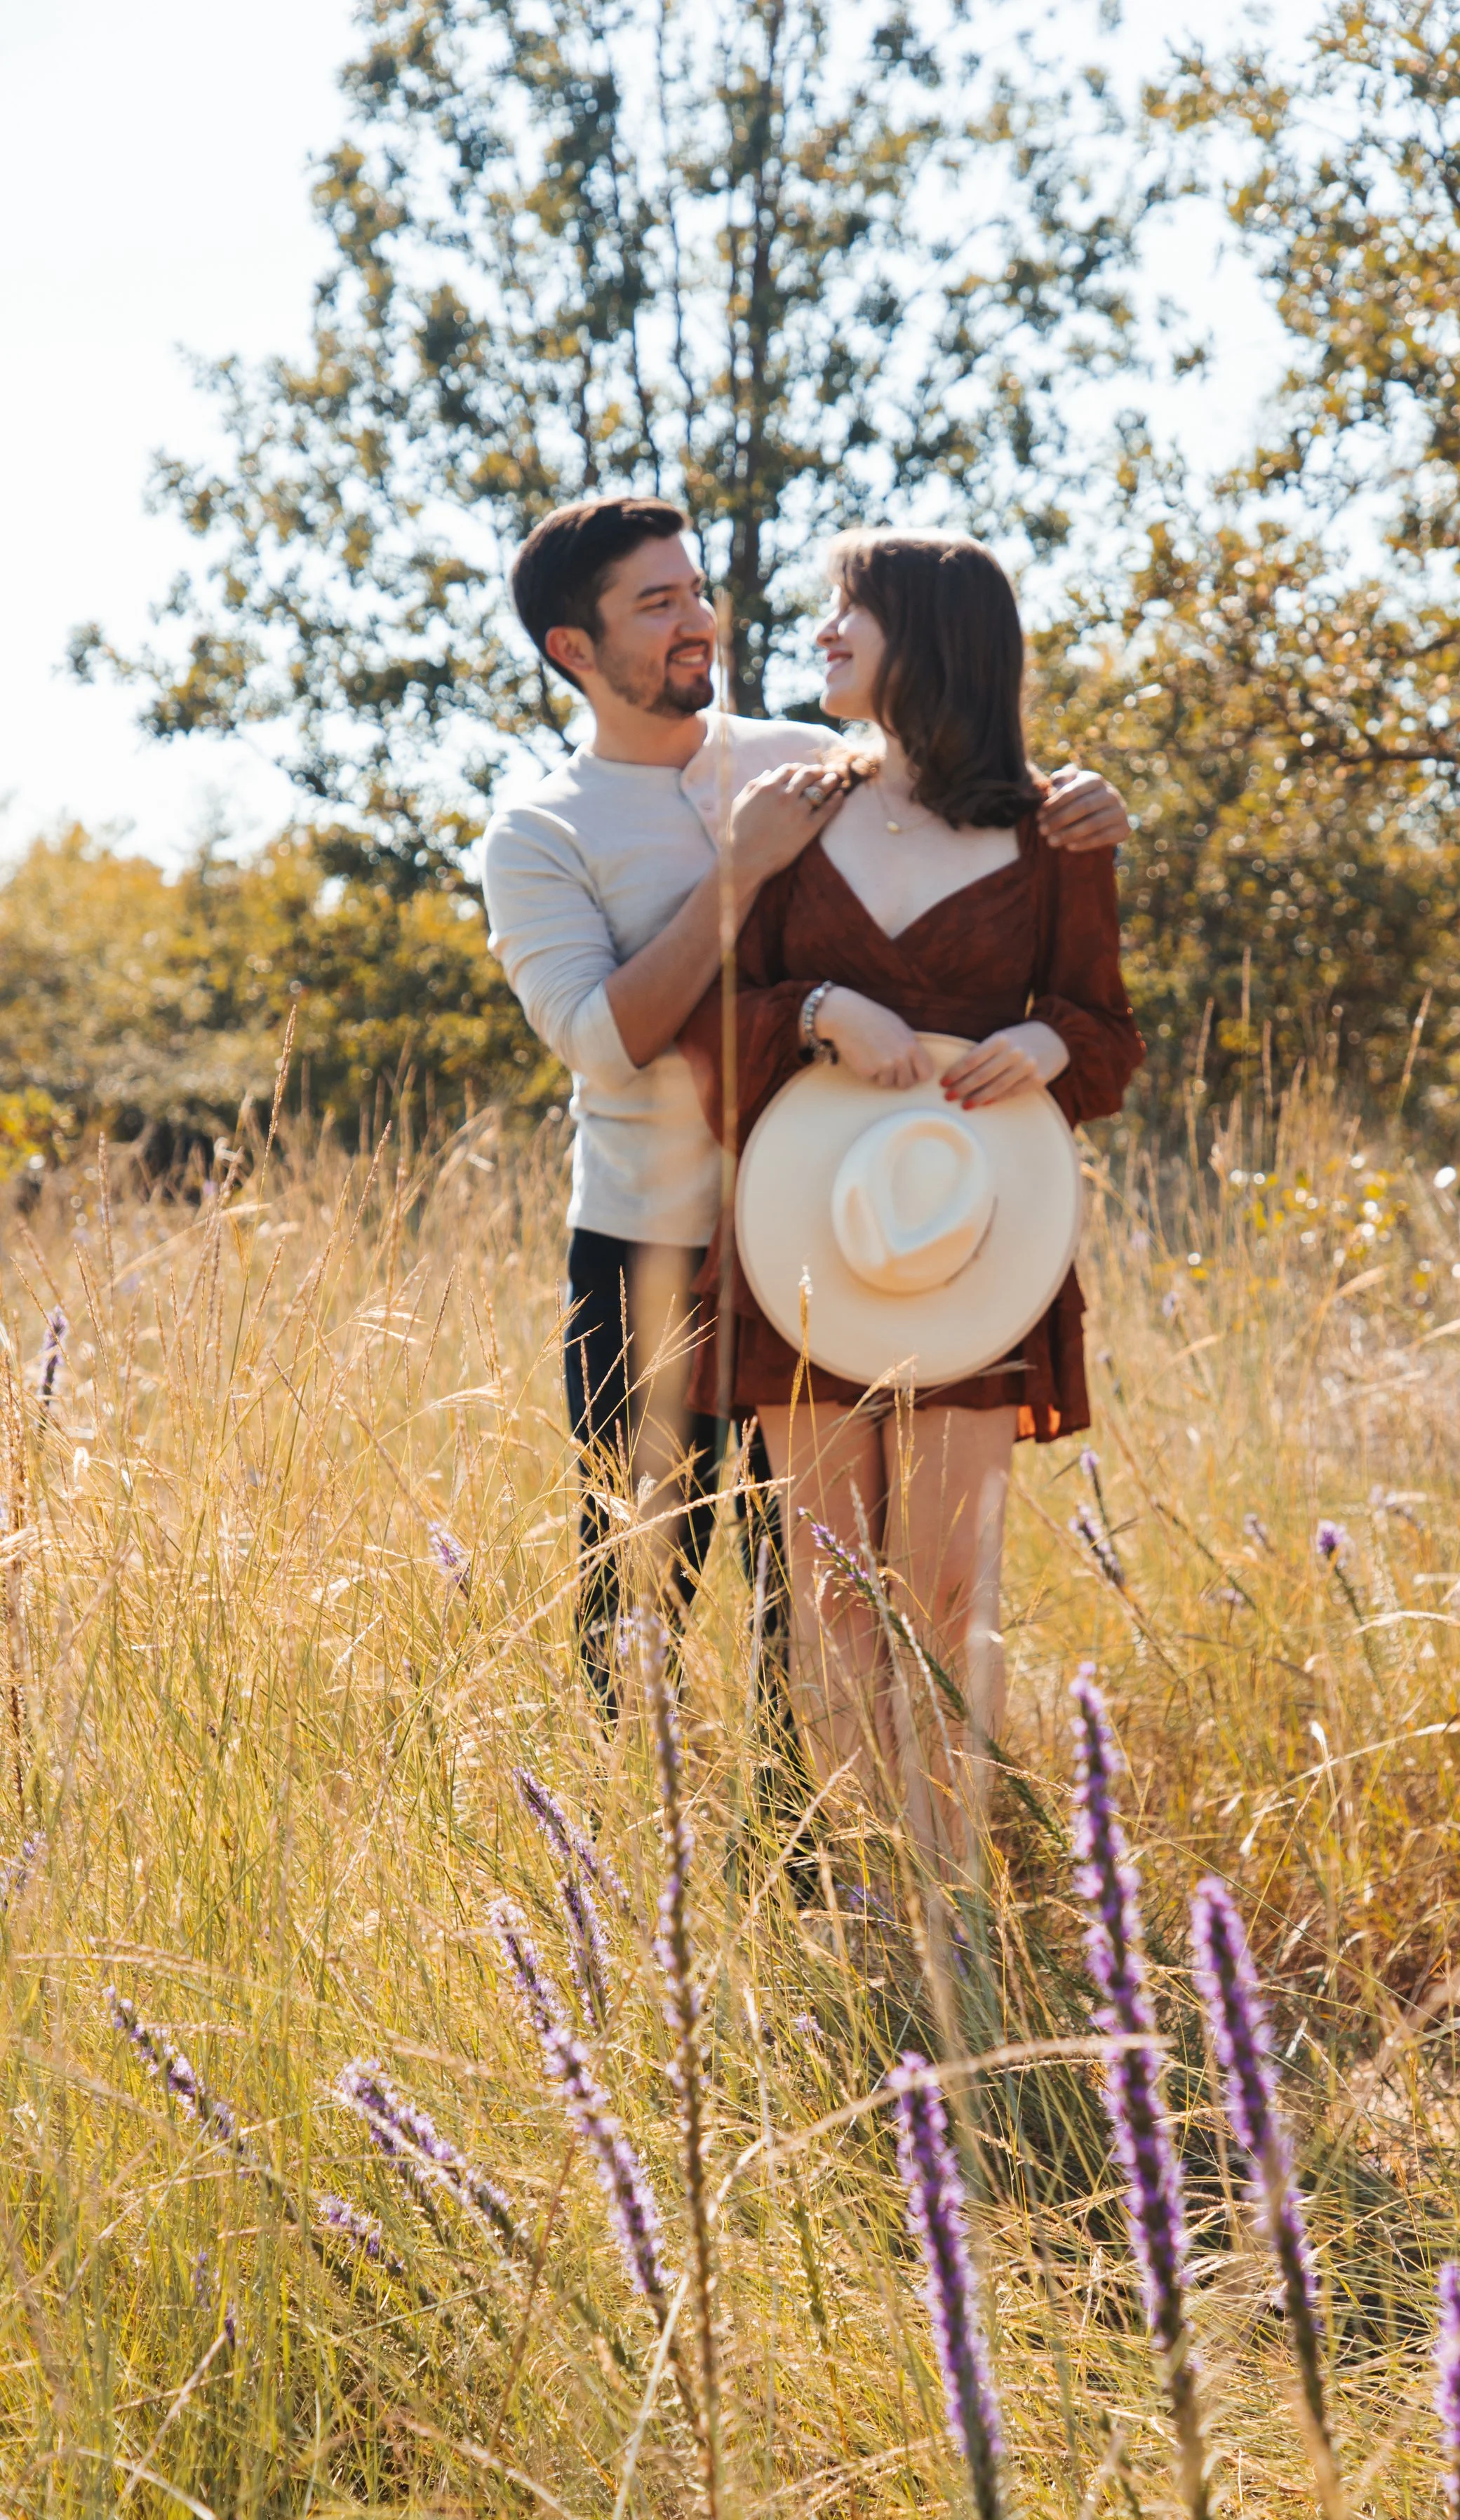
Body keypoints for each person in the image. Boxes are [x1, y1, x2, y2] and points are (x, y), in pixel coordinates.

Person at [479, 495, 1129, 1685]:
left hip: (847, 1231)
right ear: (574, 649)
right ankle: (631, 1841)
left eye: (694, 591)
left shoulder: (802, 759)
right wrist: (740, 873)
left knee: (818, 1599)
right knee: (640, 1575)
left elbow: (969, 797)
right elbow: (601, 1039)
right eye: (657, 603)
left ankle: (816, 1865)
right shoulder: (540, 831)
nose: (699, 620)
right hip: (653, 1246)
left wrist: (1085, 802)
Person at [678, 529, 1144, 1879]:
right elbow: (710, 1023)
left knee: (944, 1586)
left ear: (929, 639)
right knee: (827, 1588)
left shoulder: (1057, 829)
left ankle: (947, 1891)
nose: (824, 633)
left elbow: (1106, 1031)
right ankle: (870, 1912)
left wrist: (1049, 1046)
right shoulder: (800, 809)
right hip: (804, 1236)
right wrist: (819, 1007)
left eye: (850, 611)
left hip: (976, 1243)